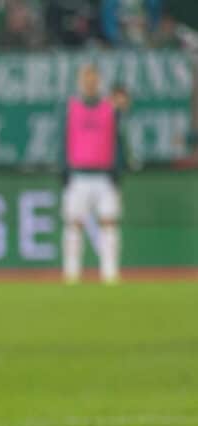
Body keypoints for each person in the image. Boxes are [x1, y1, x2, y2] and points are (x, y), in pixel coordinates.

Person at [60, 64, 127, 284]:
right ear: (80, 82)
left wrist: (117, 171)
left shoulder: (110, 108)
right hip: (78, 175)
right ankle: (71, 274)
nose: (90, 84)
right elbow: (63, 141)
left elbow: (119, 138)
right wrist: (64, 172)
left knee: (109, 223)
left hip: (103, 175)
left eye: (93, 79)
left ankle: (110, 273)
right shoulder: (71, 107)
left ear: (99, 82)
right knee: (73, 224)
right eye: (86, 79)